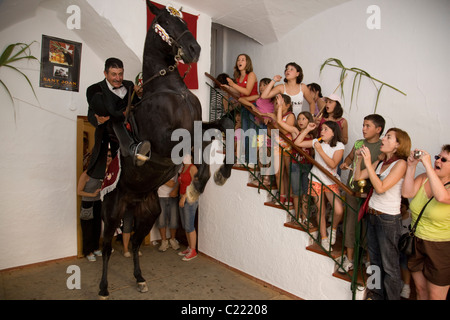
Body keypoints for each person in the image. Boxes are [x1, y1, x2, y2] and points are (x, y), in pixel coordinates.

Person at [354, 127, 411, 300]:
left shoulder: (400, 164)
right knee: (375, 262)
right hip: (372, 215)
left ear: (397, 145)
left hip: (387, 219)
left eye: (388, 137)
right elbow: (358, 177)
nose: (383, 140)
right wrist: (359, 161)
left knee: (389, 266)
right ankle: (376, 295)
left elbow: (380, 188)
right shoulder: (380, 163)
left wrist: (370, 160)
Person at [86, 57, 150, 179]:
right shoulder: (94, 89)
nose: (118, 78)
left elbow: (138, 106)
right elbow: (93, 112)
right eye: (114, 74)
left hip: (131, 127)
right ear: (105, 74)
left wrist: (141, 95)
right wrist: (98, 120)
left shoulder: (129, 85)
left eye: (120, 74)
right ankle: (132, 149)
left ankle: (143, 148)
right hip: (110, 131)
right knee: (115, 120)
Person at [338, 114, 385, 273]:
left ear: (378, 129)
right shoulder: (359, 143)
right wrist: (346, 163)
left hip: (371, 193)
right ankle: (349, 258)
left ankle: (368, 258)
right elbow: (351, 157)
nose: (363, 129)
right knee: (350, 222)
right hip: (353, 190)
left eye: (368, 126)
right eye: (363, 125)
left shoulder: (382, 147)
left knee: (368, 225)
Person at [401, 144, 450, 300]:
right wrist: (411, 166)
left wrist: (428, 165)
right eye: (437, 157)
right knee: (420, 290)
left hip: (440, 247)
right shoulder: (424, 179)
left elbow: (442, 197)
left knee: (435, 296)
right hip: (417, 242)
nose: (438, 161)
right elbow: (407, 192)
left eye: (444, 160)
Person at [294, 121, 345, 251]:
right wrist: (306, 129)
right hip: (316, 179)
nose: (322, 131)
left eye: (326, 129)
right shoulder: (317, 141)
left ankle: (332, 229)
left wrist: (320, 150)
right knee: (320, 210)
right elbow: (297, 143)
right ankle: (324, 238)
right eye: (322, 129)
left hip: (331, 181)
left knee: (339, 210)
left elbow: (333, 165)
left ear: (334, 132)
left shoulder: (339, 146)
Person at [276, 110, 315, 226]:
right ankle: (298, 217)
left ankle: (305, 218)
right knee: (297, 192)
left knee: (305, 194)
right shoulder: (295, 131)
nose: (301, 121)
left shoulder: (312, 135)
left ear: (309, 120)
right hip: (295, 165)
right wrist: (280, 107)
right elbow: (279, 122)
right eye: (299, 119)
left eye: (304, 118)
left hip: (307, 166)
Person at [77, 149, 112, 261]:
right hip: (88, 203)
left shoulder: (102, 173)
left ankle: (96, 248)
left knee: (97, 227)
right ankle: (88, 251)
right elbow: (79, 191)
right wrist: (92, 194)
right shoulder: (86, 174)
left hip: (98, 203)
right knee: (88, 228)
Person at [223, 54, 258, 166]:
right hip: (244, 106)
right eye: (238, 59)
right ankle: (247, 159)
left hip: (253, 106)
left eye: (243, 59)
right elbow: (239, 93)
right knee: (245, 133)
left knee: (252, 134)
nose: (240, 61)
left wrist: (233, 84)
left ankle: (252, 161)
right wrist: (229, 88)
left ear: (247, 63)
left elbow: (247, 91)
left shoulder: (251, 75)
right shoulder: (239, 78)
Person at [178, 154, 199, 261]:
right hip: (183, 198)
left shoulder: (192, 168)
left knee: (190, 226)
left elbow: (196, 185)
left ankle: (193, 250)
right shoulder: (183, 167)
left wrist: (184, 197)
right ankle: (189, 247)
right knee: (186, 225)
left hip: (190, 199)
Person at [157, 174, 181, 252]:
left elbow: (180, 178)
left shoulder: (177, 163)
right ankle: (164, 241)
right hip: (160, 195)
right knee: (161, 220)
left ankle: (172, 240)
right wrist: (166, 181)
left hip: (173, 195)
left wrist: (175, 190)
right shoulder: (159, 163)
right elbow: (156, 176)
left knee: (174, 220)